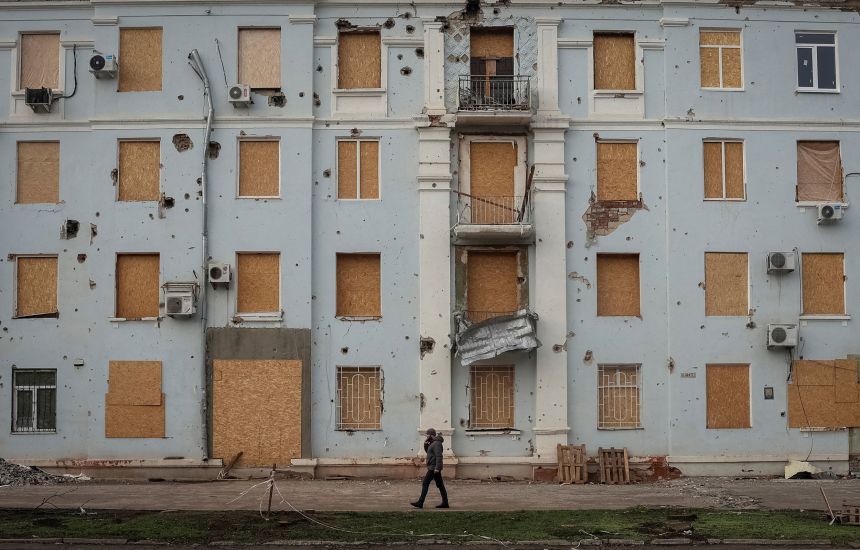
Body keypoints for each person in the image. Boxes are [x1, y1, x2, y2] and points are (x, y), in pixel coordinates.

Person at [410, 428, 449, 509]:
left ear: (431, 435)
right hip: (433, 467)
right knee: (440, 485)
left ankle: (420, 502)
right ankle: (445, 503)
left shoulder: (436, 443)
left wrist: (437, 468)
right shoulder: (433, 443)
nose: (426, 436)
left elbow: (439, 456)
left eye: (427, 435)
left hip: (433, 468)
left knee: (425, 483)